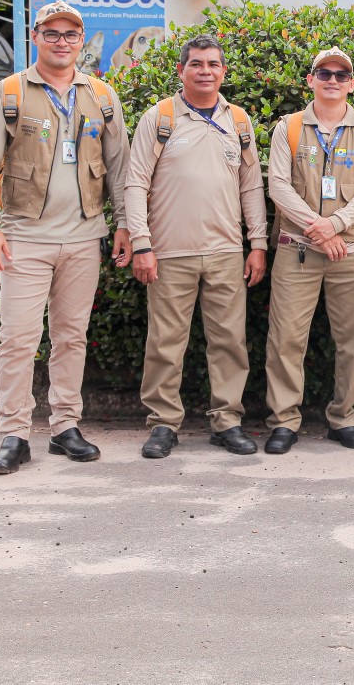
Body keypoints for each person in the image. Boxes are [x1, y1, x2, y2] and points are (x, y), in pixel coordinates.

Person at [0, 1, 131, 474]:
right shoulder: (9, 93)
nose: (62, 41)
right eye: (52, 33)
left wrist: (124, 224)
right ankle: (14, 434)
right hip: (24, 238)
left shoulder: (101, 95)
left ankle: (65, 427)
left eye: (70, 34)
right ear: (35, 36)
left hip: (84, 238)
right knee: (18, 339)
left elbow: (119, 167)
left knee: (71, 337)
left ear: (81, 40)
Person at [126, 35, 268, 459]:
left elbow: (251, 186)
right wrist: (141, 244)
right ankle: (163, 424)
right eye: (196, 64)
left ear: (223, 72)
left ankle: (227, 421)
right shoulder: (161, 117)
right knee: (166, 341)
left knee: (229, 341)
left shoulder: (238, 121)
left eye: (213, 64)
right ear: (181, 70)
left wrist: (257, 243)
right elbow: (135, 183)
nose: (205, 71)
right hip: (169, 251)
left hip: (226, 251)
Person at [262, 47, 354, 454]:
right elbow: (277, 185)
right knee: (286, 339)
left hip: (351, 250)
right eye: (324, 73)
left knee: (351, 338)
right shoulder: (289, 128)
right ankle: (283, 421)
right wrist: (319, 230)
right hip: (296, 249)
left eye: (340, 75)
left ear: (351, 83)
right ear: (310, 80)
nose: (332, 80)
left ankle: (344, 418)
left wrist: (335, 225)